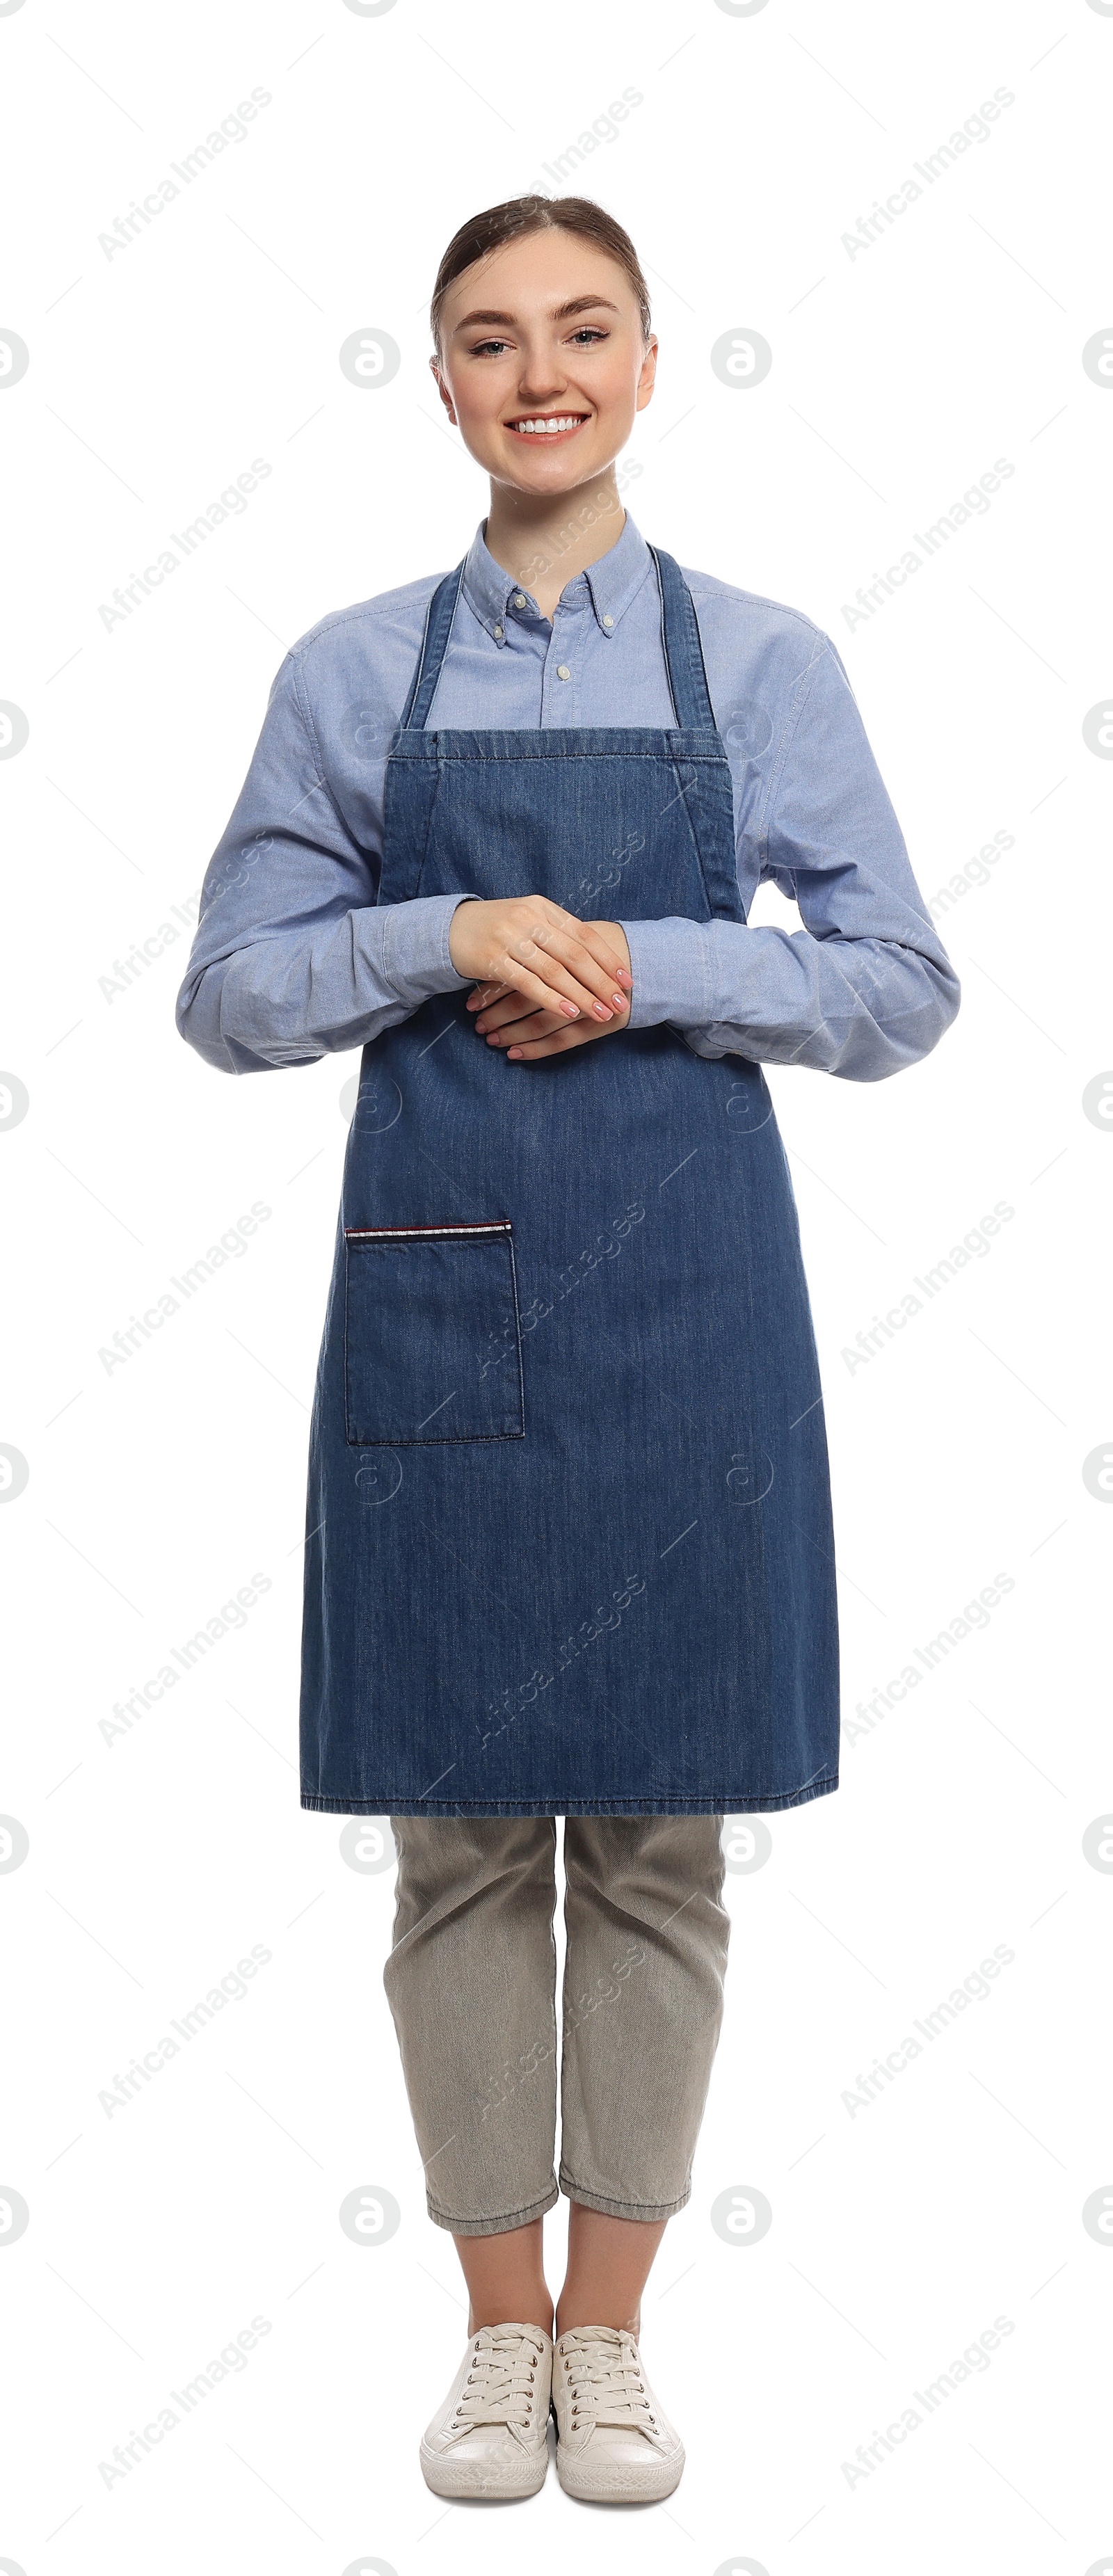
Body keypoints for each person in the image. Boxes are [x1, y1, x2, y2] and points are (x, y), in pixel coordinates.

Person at [176, 193, 959, 2506]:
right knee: (451, 1850)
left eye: (584, 330)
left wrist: (657, 959)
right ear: (437, 381)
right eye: (492, 337)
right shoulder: (345, 670)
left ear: (645, 360)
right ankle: (492, 2333)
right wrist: (438, 927)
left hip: (687, 1306)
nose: (542, 372)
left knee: (652, 1845)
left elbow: (902, 984)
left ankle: (610, 2339)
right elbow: (228, 994)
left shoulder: (767, 661)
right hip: (435, 1293)